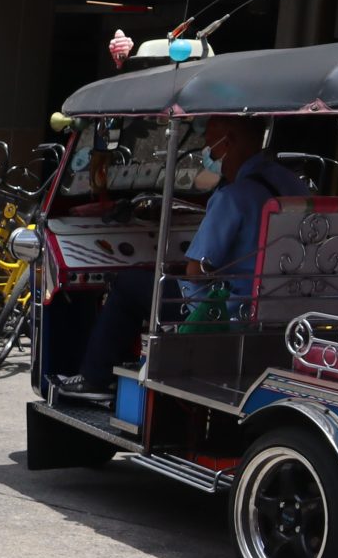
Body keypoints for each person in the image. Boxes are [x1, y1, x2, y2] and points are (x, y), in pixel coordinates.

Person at [57, 115, 308, 401]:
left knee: (129, 282)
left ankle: (96, 378)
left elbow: (196, 270)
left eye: (210, 146)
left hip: (227, 315)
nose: (207, 154)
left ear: (230, 141)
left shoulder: (234, 196)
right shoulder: (293, 184)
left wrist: (175, 268)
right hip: (287, 308)